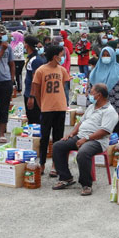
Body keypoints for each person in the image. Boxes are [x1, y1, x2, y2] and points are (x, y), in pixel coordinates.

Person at [51, 83, 119, 196]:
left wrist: (86, 139)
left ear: (99, 95)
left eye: (91, 93)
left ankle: (86, 184)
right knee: (58, 146)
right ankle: (66, 178)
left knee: (83, 153)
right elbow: (81, 122)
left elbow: (104, 131)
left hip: (97, 141)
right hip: (81, 137)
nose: (89, 95)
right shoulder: (92, 106)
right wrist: (71, 133)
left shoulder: (110, 111)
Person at [30, 45, 70, 174]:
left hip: (60, 107)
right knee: (45, 137)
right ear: (55, 56)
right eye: (61, 55)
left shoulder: (62, 70)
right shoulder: (41, 70)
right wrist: (41, 105)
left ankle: (55, 164)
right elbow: (36, 91)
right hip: (46, 108)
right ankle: (42, 163)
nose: (63, 57)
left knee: (58, 139)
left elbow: (64, 87)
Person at [90, 46, 119, 140]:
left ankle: (116, 152)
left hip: (116, 105)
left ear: (112, 56)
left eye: (108, 55)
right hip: (99, 107)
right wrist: (89, 104)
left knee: (116, 134)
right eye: (103, 55)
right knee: (100, 132)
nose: (105, 57)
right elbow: (90, 89)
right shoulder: (95, 71)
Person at [23, 36, 45, 124]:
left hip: (33, 95)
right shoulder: (31, 58)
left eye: (24, 43)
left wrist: (32, 97)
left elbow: (35, 80)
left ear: (27, 45)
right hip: (28, 92)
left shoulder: (36, 60)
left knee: (34, 120)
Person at [10, 31, 26, 95]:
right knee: (12, 74)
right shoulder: (12, 43)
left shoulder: (20, 44)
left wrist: (12, 54)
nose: (12, 38)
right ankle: (14, 87)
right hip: (13, 60)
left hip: (19, 61)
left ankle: (19, 89)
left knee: (18, 75)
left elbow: (20, 54)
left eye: (13, 37)